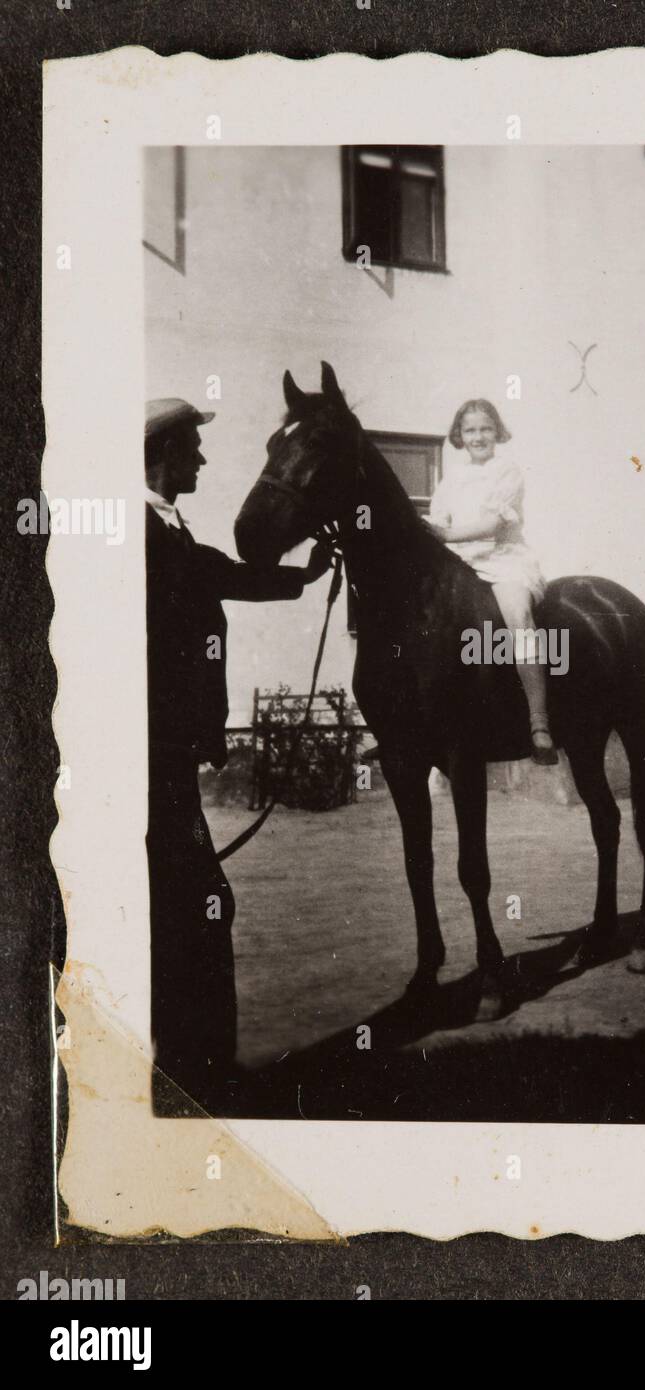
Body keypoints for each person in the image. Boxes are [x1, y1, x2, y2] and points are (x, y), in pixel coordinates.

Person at [144, 398, 331, 1109]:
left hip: (166, 757)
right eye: (192, 448)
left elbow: (216, 572)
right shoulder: (142, 531)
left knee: (189, 902)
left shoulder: (163, 526)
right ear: (162, 452)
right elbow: (206, 580)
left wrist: (301, 578)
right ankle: (202, 1078)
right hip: (155, 759)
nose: (201, 459)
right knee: (200, 904)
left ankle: (192, 1071)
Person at [426, 399, 557, 765]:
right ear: (459, 436)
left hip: (502, 560)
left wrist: (444, 535)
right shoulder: (451, 477)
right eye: (470, 430)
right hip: (461, 563)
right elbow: (438, 517)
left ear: (497, 432)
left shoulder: (507, 470)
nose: (478, 436)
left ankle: (538, 720)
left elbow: (492, 524)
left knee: (519, 619)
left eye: (485, 429)